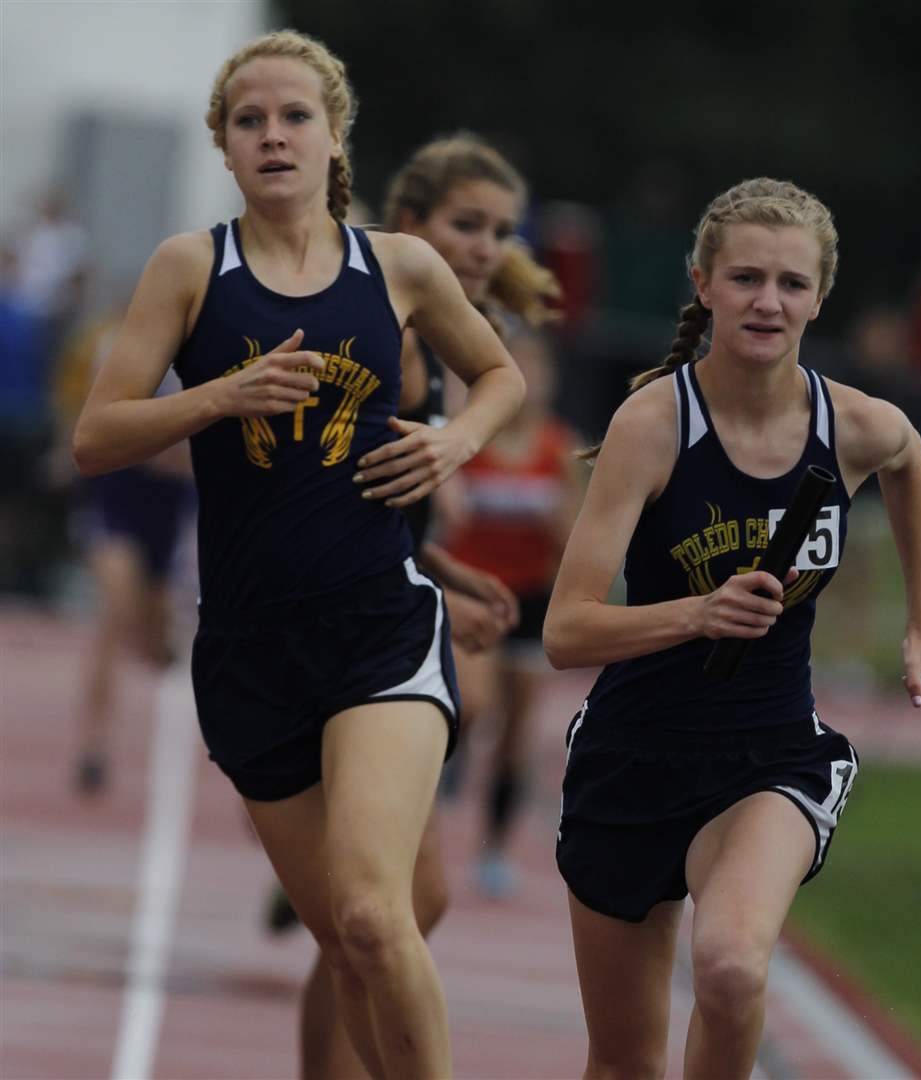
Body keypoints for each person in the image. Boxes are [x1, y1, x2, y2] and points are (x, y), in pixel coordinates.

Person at [72, 30, 525, 1080]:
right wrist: (224, 395)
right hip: (246, 652)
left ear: (334, 137)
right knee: (342, 941)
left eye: (294, 117)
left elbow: (496, 374)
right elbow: (98, 436)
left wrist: (456, 439)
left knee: (377, 913)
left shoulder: (398, 267)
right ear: (224, 148)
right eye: (249, 121)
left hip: (378, 632)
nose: (273, 136)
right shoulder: (190, 268)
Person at [542, 177, 921, 1079]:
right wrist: (698, 612)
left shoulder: (849, 423)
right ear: (703, 284)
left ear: (820, 297)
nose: (767, 301)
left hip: (768, 755)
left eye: (790, 283)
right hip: (632, 759)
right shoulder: (653, 427)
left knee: (732, 968)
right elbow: (566, 631)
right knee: (623, 1063)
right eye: (744, 278)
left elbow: (906, 456)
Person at [288, 130, 562, 1080]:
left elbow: (378, 502)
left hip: (385, 614)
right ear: (410, 226)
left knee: (391, 912)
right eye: (467, 225)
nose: (487, 246)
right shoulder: (390, 334)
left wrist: (445, 569)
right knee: (378, 913)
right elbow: (329, 492)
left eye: (500, 230)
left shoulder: (444, 335)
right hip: (320, 636)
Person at [441, 326, 582, 898]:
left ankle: (494, 850)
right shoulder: (472, 440)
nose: (528, 384)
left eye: (537, 371)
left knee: (518, 735)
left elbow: (578, 540)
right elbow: (442, 519)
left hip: (529, 600)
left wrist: (557, 528)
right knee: (474, 703)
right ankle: (444, 757)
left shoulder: (559, 449)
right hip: (471, 593)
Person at [52, 303, 195, 794]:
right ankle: (94, 744)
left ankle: (165, 641)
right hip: (115, 501)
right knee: (114, 613)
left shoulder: (199, 358)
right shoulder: (112, 345)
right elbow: (92, 428)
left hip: (167, 510)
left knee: (155, 646)